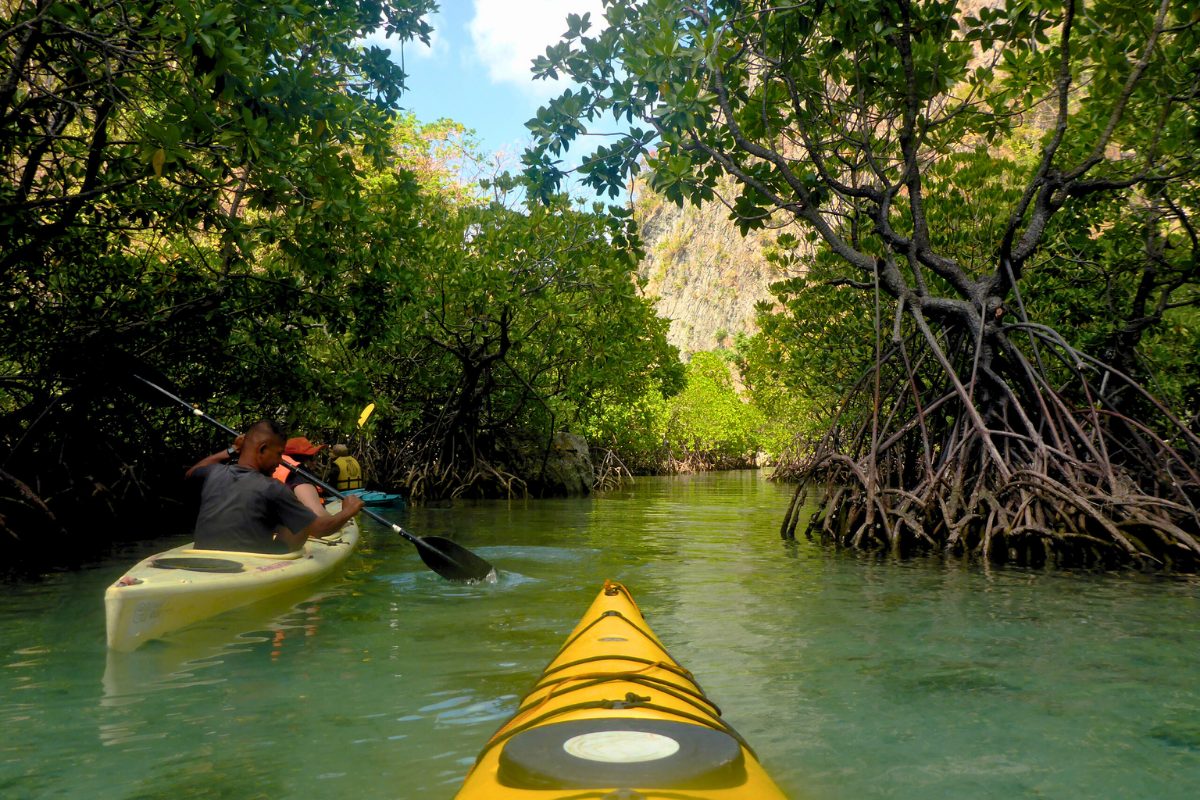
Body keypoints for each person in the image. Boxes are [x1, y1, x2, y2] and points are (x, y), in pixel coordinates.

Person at [186, 421, 363, 554]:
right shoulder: (272, 487)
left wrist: (232, 450)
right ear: (262, 449)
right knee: (301, 522)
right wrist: (347, 511)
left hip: (203, 556)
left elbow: (191, 472)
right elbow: (319, 530)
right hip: (251, 564)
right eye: (279, 454)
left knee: (289, 520)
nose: (280, 462)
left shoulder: (214, 472)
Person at [272, 437, 327, 516]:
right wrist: (344, 514)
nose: (314, 463)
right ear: (300, 460)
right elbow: (318, 514)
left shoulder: (273, 472)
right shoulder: (298, 477)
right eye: (311, 458)